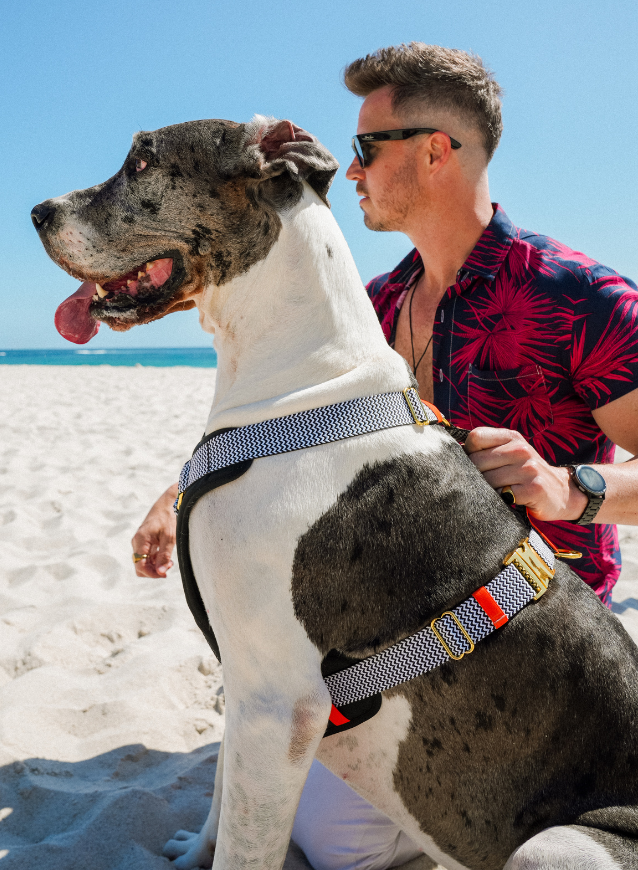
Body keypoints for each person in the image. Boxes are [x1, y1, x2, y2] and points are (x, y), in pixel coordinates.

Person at [133, 43, 638, 870]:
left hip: (534, 651)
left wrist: (574, 487)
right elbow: (286, 436)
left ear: (438, 149)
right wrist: (172, 496)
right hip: (384, 635)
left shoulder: (578, 297)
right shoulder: (370, 306)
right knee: (326, 840)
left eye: (369, 148)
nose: (353, 169)